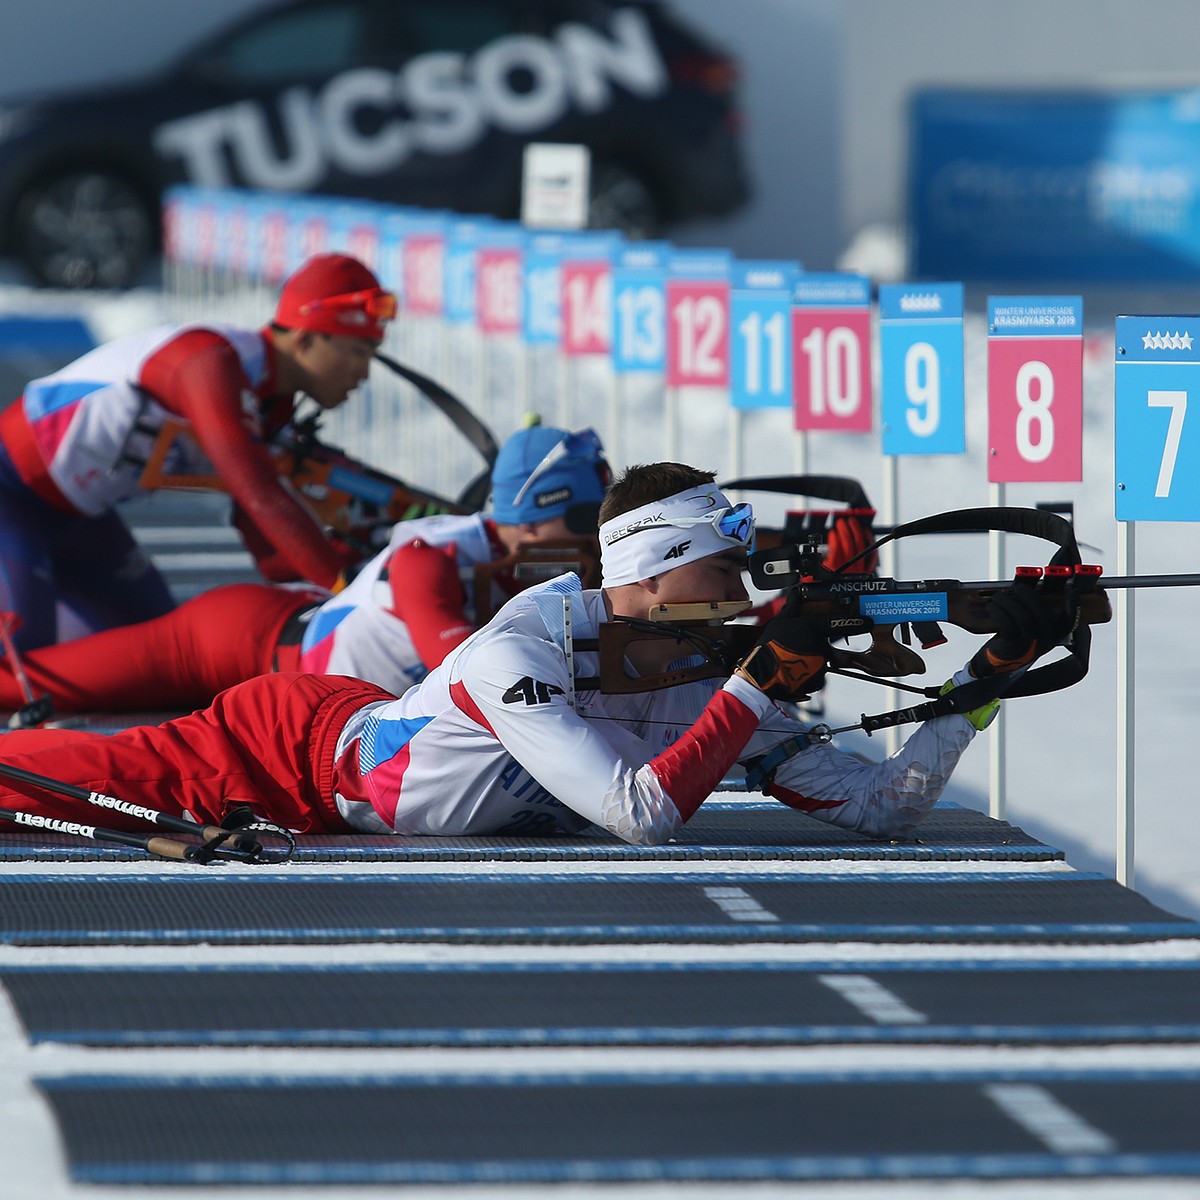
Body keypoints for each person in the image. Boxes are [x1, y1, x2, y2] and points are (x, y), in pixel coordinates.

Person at [0, 463, 1071, 846]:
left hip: (341, 766)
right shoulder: (528, 645)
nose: (744, 595)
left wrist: (985, 683)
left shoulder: (707, 668)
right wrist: (756, 680)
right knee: (44, 776)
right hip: (281, 752)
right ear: (650, 573)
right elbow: (639, 814)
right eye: (722, 569)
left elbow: (886, 810)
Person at [0, 424, 610, 715]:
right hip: (239, 642)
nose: (598, 537)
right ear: (532, 520)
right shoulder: (435, 558)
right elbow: (465, 671)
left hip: (288, 676)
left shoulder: (525, 558)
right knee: (29, 687)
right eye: (589, 515)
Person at [0, 252, 395, 651]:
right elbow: (258, 491)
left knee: (150, 645)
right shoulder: (210, 363)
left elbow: (261, 530)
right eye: (359, 353)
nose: (363, 375)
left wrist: (311, 603)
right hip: (10, 494)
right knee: (22, 655)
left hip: (78, 517)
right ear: (306, 337)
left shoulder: (272, 401)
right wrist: (346, 592)